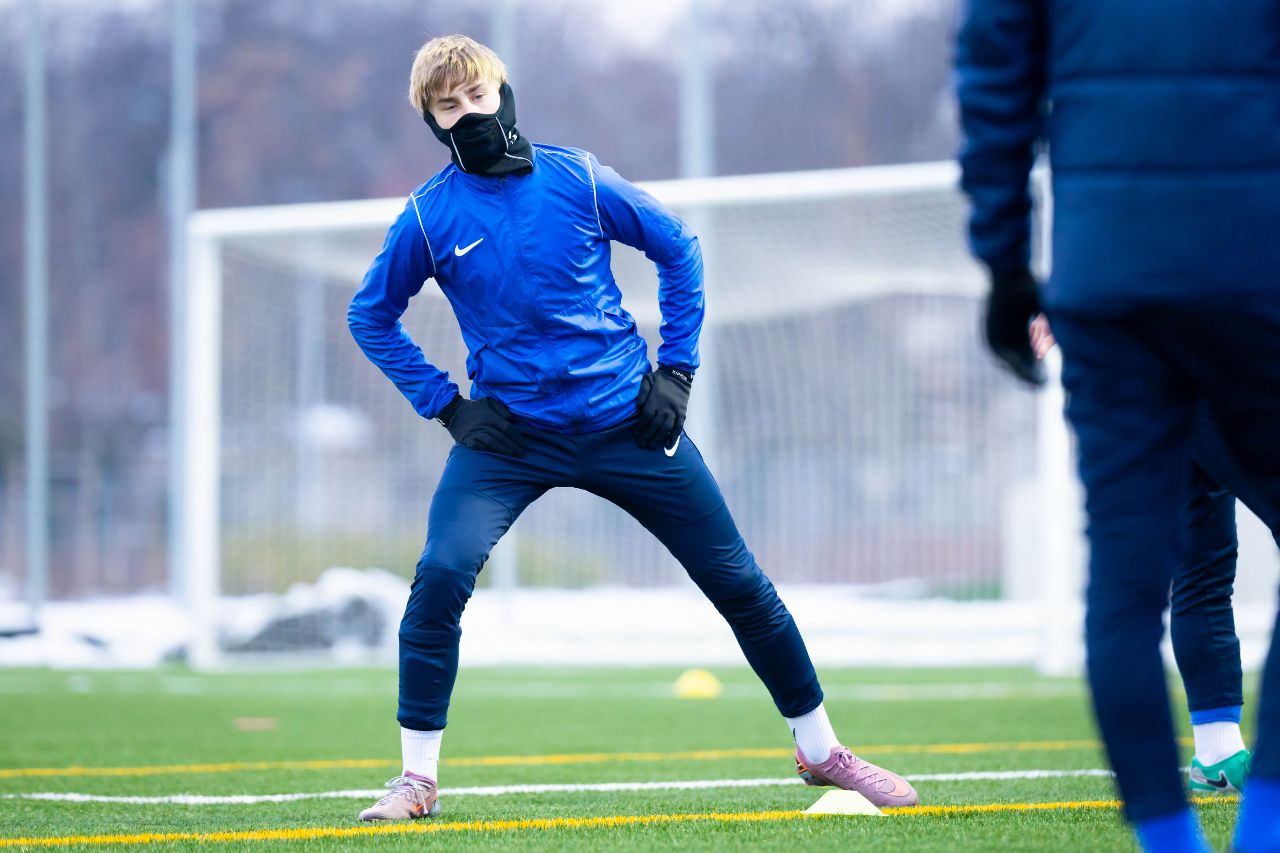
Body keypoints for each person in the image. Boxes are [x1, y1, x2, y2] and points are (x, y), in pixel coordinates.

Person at [347, 34, 919, 822]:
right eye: (450, 106)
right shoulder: (427, 216)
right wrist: (447, 404)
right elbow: (370, 315)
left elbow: (678, 248)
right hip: (509, 440)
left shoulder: (578, 178)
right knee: (441, 573)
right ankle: (417, 780)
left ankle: (823, 751)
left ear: (503, 94)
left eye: (478, 96)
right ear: (433, 122)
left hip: (628, 422)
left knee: (738, 582)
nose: (469, 113)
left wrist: (676, 371)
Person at [956, 1, 1280, 850]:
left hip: (1107, 279)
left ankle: (1174, 831)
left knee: (1128, 580)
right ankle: (1263, 829)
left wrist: (1005, 268)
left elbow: (994, 85)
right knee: (1185, 566)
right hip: (1249, 271)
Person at [1031, 319, 1269, 795]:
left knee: (1200, 570)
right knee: (1164, 577)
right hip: (1207, 366)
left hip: (1148, 383)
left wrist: (1063, 302)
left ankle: (1217, 755)